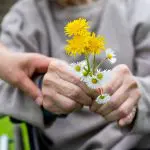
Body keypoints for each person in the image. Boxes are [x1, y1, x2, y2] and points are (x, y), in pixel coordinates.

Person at [0, 0, 150, 149]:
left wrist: (136, 96)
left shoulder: (139, 8)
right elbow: (4, 86)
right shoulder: (23, 18)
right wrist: (39, 88)